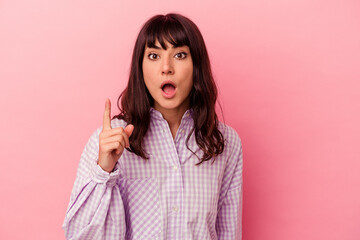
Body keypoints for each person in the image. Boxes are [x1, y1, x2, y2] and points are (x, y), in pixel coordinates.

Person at [62, 13, 243, 240]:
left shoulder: (225, 143)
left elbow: (229, 232)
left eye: (179, 54)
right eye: (154, 55)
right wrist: (103, 170)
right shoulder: (109, 140)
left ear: (196, 65)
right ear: (141, 68)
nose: (166, 68)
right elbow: (78, 236)